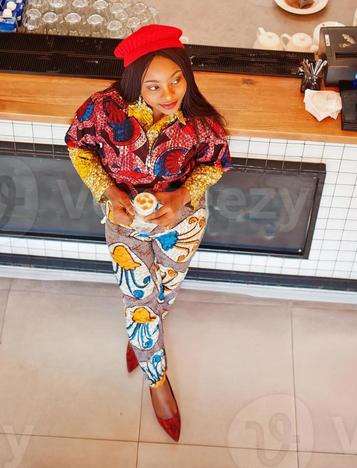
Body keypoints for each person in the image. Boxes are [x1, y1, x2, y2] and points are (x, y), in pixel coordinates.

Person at [65, 24, 231, 442]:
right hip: (126, 224)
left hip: (184, 222)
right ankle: (157, 382)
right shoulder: (103, 110)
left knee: (166, 291)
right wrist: (107, 189)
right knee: (138, 301)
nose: (169, 92)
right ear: (134, 81)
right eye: (154, 85)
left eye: (176, 79)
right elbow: (77, 146)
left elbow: (216, 162)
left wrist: (182, 197)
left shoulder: (198, 118)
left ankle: (146, 333)